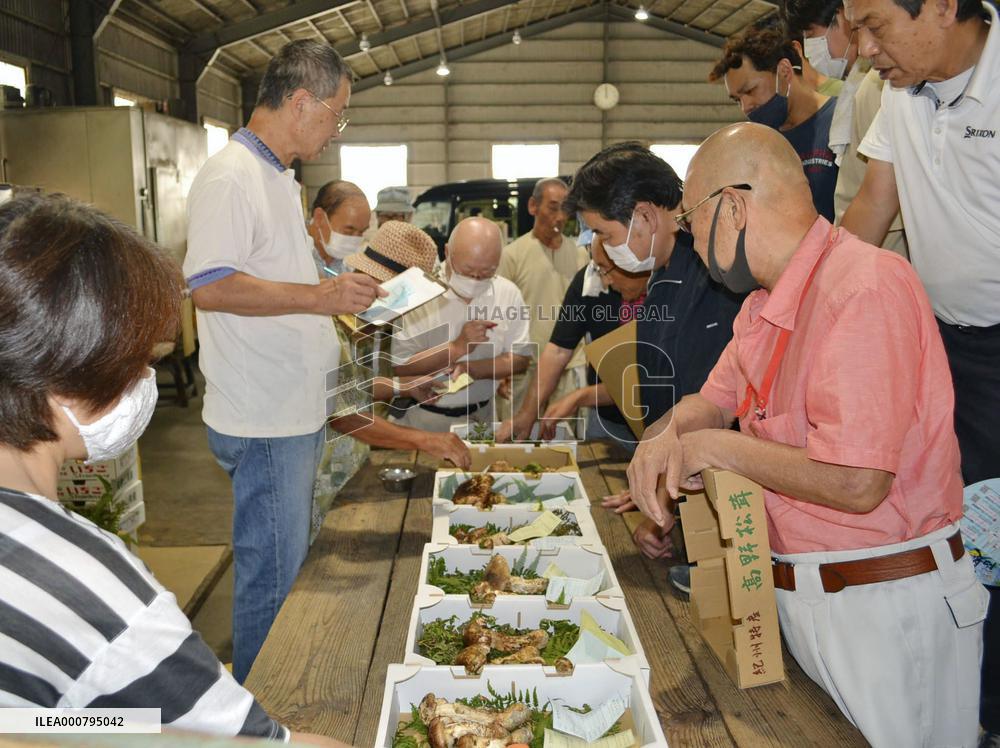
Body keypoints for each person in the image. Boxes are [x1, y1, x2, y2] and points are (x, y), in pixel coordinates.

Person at [630, 121, 988, 748]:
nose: (686, 239)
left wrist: (716, 448)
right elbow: (708, 404)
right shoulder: (763, 308)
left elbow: (857, 482)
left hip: (885, 606)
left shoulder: (864, 286)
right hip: (807, 598)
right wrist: (664, 439)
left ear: (732, 208)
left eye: (689, 221)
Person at [0, 193, 345, 747]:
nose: (144, 381)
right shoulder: (88, 589)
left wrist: (127, 731)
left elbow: (41, 723)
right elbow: (261, 744)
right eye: (140, 361)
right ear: (72, 367)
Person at [183, 40, 383, 684]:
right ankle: (262, 715)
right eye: (337, 113)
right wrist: (320, 295)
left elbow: (272, 276)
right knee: (271, 578)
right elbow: (210, 285)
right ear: (302, 102)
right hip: (264, 421)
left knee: (284, 566)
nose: (336, 129)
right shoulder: (231, 174)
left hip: (290, 413)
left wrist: (333, 287)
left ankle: (273, 699)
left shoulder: (275, 177)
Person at [841, 0, 999, 741]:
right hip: (946, 349)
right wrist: (801, 299)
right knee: (964, 540)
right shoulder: (899, 94)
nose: (863, 48)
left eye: (874, 24)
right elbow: (873, 210)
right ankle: (973, 714)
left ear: (940, 4)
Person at [562, 141, 744, 593]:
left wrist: (661, 507)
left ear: (643, 216)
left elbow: (709, 411)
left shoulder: (711, 276)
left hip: (722, 510)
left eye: (604, 233)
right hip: (684, 496)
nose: (603, 249)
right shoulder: (662, 273)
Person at [307, 213, 471, 536]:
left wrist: (403, 387)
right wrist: (425, 440)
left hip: (351, 464)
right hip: (318, 472)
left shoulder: (372, 321)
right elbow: (344, 414)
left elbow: (356, 387)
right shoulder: (328, 323)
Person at [781, 0, 909, 256]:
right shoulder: (858, 87)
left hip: (883, 246)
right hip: (867, 242)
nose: (810, 47)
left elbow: (878, 200)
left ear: (842, 18)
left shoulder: (880, 85)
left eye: (810, 35)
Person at [497, 237, 650, 450]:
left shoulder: (669, 290)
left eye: (605, 269)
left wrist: (581, 396)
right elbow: (558, 350)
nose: (603, 280)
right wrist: (527, 413)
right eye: (597, 268)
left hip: (663, 423)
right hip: (607, 422)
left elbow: (647, 379)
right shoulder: (590, 281)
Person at [391, 217, 531, 432]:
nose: (475, 279)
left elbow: (520, 359)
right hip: (425, 419)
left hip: (482, 416)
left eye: (486, 272)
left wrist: (473, 369)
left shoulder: (507, 293)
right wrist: (457, 347)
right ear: (447, 252)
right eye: (467, 270)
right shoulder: (418, 294)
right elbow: (401, 366)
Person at [709, 24, 839, 220]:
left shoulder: (839, 120)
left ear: (784, 71)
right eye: (737, 99)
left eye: (751, 91)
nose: (745, 107)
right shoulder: (762, 145)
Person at [498, 177, 589, 423]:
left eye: (566, 209)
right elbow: (499, 315)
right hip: (524, 366)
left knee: (565, 437)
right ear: (532, 206)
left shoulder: (582, 257)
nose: (560, 216)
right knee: (518, 435)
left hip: (570, 365)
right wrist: (501, 368)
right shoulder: (511, 256)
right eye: (553, 207)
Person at [308, 179, 370, 276]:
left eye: (361, 232)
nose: (354, 240)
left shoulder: (346, 264)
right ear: (319, 218)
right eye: (348, 231)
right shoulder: (292, 255)